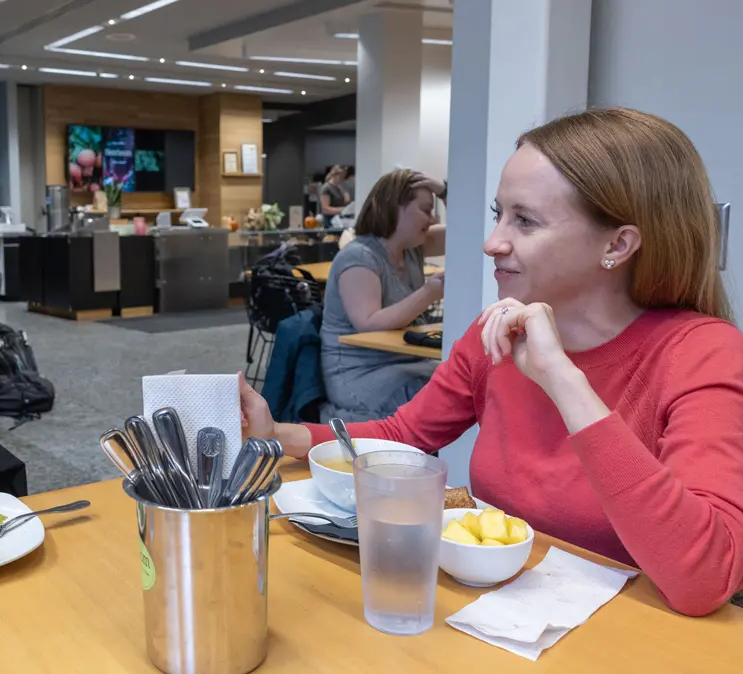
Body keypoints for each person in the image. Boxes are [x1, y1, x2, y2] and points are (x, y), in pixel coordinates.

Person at [242, 107, 743, 617]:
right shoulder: (494, 336)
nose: (491, 243)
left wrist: (563, 379)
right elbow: (405, 436)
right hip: (505, 619)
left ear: (617, 244)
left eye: (524, 220)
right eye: (497, 214)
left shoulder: (701, 352)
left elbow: (704, 579)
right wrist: (280, 435)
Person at [320, 168, 446, 422]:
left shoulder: (412, 249)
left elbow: (472, 228)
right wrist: (428, 293)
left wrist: (445, 190)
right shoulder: (358, 257)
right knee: (445, 394)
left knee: (462, 380)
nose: (432, 219)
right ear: (396, 208)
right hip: (359, 374)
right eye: (425, 209)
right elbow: (368, 323)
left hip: (404, 362)